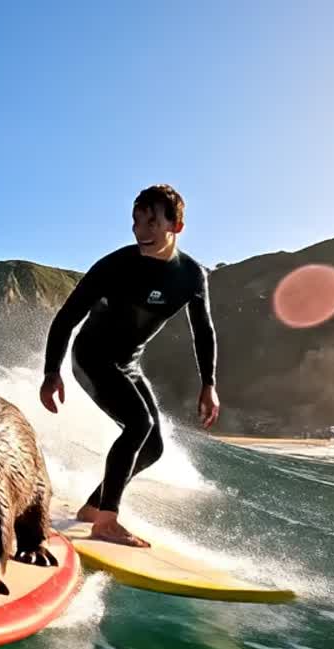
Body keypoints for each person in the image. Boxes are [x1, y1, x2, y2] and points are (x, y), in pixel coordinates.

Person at [38, 184, 219, 548]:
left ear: (176, 226)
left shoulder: (191, 276)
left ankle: (93, 507)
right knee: (139, 424)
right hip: (90, 357)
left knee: (152, 447)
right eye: (137, 222)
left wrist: (208, 383)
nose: (142, 231)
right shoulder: (115, 265)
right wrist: (51, 371)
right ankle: (107, 521)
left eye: (152, 222)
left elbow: (204, 330)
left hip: (127, 364)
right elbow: (67, 316)